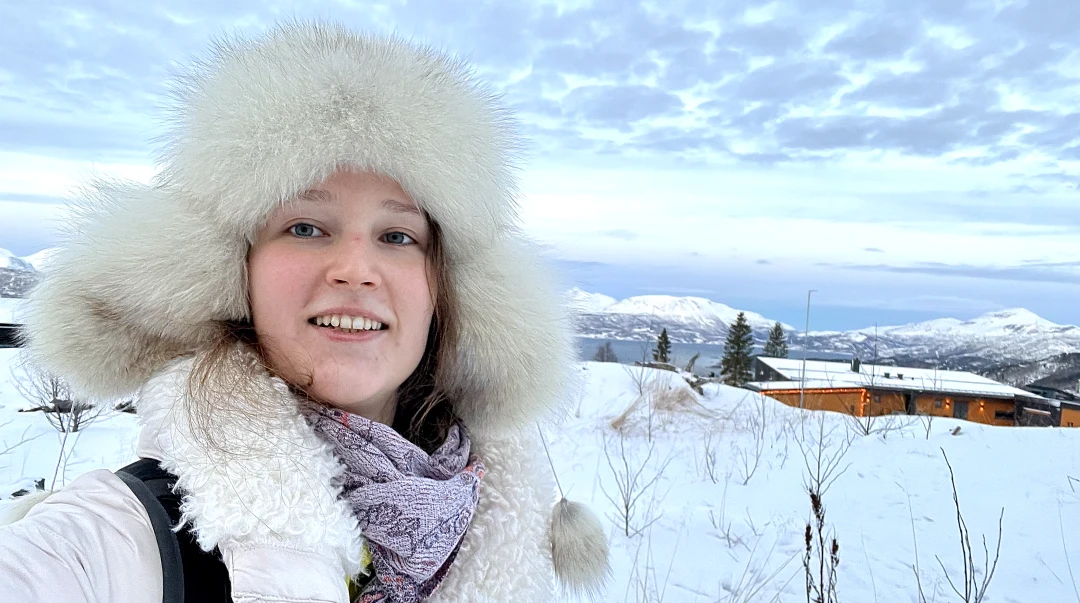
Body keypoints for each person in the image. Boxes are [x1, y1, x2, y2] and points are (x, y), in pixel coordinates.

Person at [0, 21, 609, 603]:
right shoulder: (116, 541)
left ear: (444, 290)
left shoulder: (495, 525)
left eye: (398, 236)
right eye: (306, 226)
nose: (355, 268)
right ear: (236, 273)